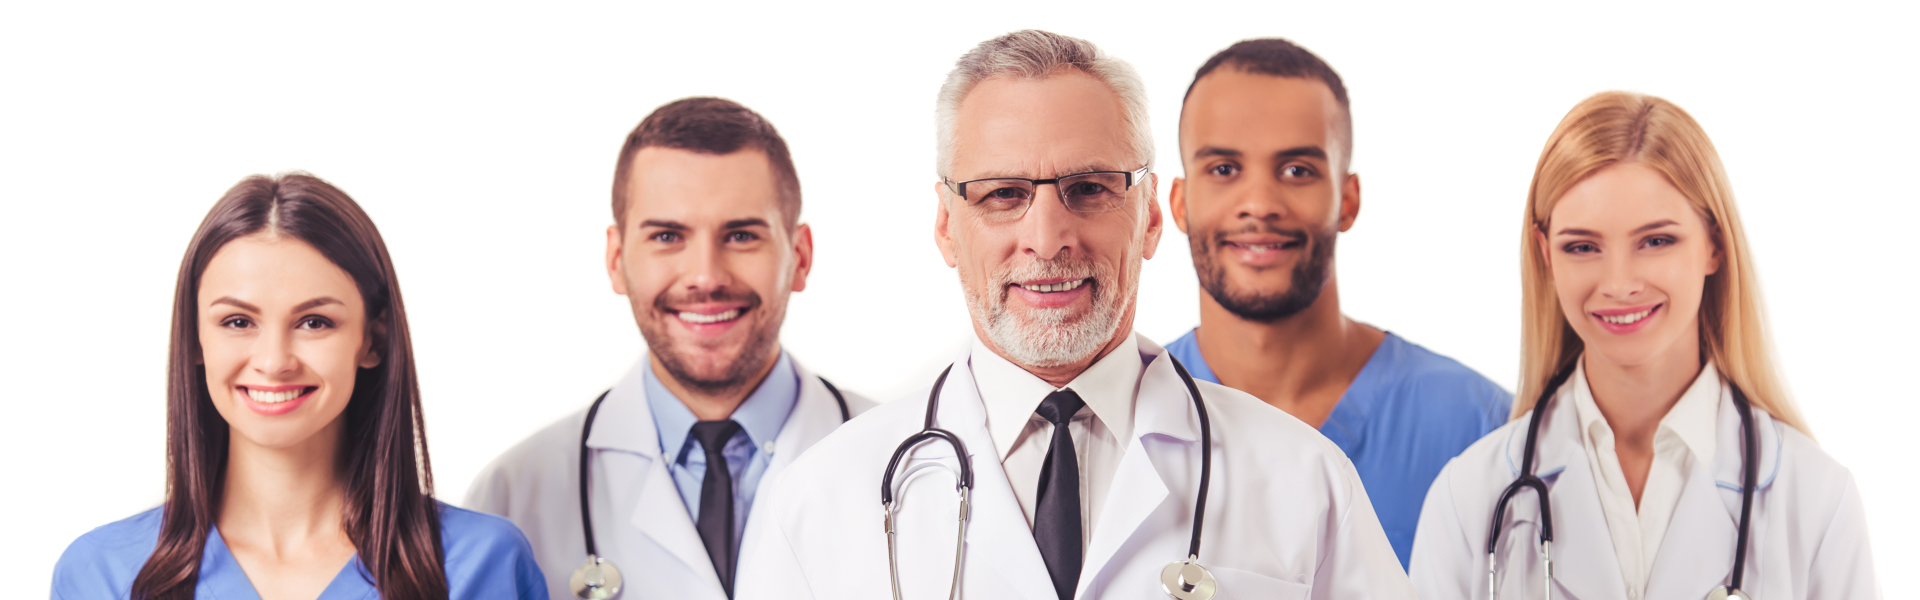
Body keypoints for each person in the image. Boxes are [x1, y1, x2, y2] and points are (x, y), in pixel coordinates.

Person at [735, 30, 1412, 600]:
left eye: (1089, 189)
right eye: (1003, 194)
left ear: (1149, 217)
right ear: (946, 227)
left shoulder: (1306, 481)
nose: (1049, 237)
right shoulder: (819, 503)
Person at [1408, 92, 1881, 599]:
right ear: (1546, 254)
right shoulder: (1468, 499)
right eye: (1582, 247)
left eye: (1656, 241)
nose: (1619, 283)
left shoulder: (1815, 500)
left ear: (1714, 245)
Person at [51, 173, 546, 599]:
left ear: (371, 341)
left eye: (314, 322)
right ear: (195, 341)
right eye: (238, 322)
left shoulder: (482, 566)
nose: (273, 362)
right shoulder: (103, 574)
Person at [465, 97, 872, 600]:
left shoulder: (910, 463)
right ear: (616, 260)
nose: (705, 276)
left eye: (741, 235)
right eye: (667, 235)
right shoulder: (514, 496)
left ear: (801, 257)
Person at [1160, 38, 1511, 570]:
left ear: (1347, 200)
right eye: (1224, 169)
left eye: (1297, 170)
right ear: (1180, 204)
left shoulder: (1479, 426)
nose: (1259, 204)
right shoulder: (1128, 415)